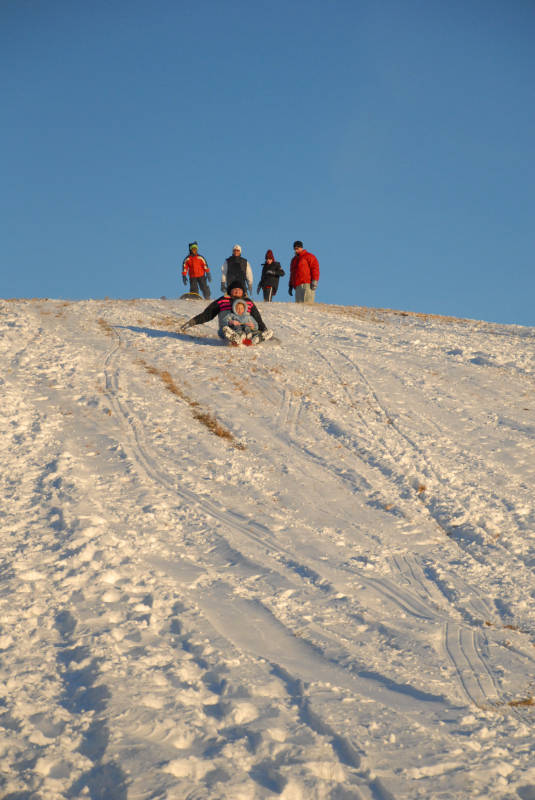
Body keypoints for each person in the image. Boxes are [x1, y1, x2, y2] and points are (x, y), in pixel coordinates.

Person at [181, 280, 273, 345]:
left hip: (246, 329)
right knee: (226, 330)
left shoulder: (248, 302)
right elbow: (208, 314)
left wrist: (264, 329)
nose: (237, 291)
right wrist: (193, 322)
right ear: (230, 291)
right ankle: (234, 337)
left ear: (243, 292)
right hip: (228, 328)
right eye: (235, 289)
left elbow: (257, 318)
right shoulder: (222, 301)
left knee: (253, 329)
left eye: (239, 289)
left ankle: (256, 338)